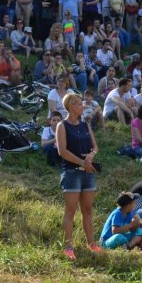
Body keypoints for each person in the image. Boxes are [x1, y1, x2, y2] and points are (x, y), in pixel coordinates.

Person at [56, 92, 100, 258]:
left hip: (89, 173)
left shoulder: (85, 124)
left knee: (88, 210)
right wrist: (81, 163)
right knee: (70, 211)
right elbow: (62, 151)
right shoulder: (62, 126)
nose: (83, 106)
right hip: (71, 173)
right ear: (71, 107)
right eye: (80, 104)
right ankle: (68, 247)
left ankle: (91, 244)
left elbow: (95, 147)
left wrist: (91, 156)